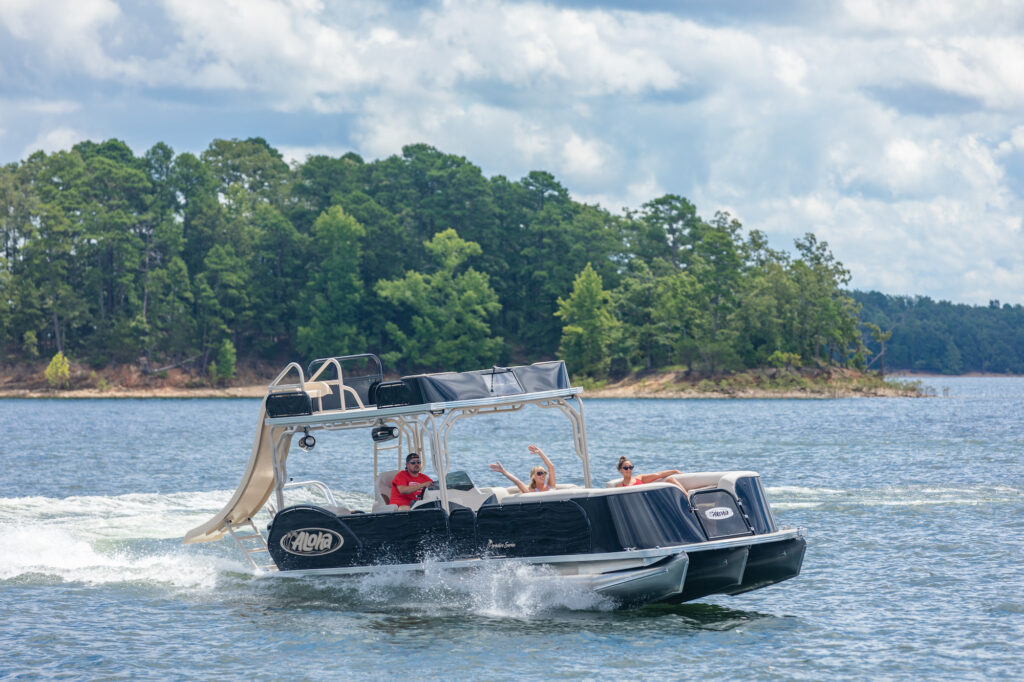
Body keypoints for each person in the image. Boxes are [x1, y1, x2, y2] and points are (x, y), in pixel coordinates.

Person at [490, 444, 557, 493]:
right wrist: (504, 472)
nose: (542, 475)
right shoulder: (530, 491)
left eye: (544, 473)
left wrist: (540, 452)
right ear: (533, 477)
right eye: (539, 473)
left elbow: (551, 467)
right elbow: (518, 482)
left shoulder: (551, 486)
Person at [614, 456, 688, 494]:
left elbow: (659, 475)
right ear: (621, 470)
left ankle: (687, 498)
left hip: (648, 501)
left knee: (670, 479)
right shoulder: (619, 486)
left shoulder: (639, 478)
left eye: (631, 467)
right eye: (626, 468)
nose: (629, 470)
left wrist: (674, 471)